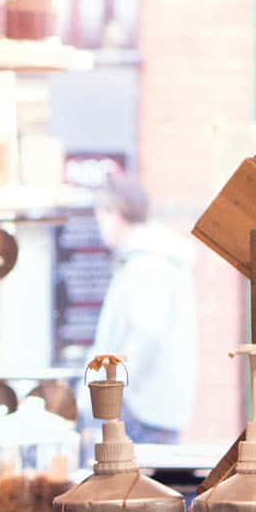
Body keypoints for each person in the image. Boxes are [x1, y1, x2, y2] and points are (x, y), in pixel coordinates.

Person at [87, 176, 197, 443]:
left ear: (115, 212)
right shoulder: (148, 260)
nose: (98, 224)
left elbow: (146, 335)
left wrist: (109, 395)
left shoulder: (146, 265)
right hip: (150, 410)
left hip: (141, 413)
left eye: (100, 213)